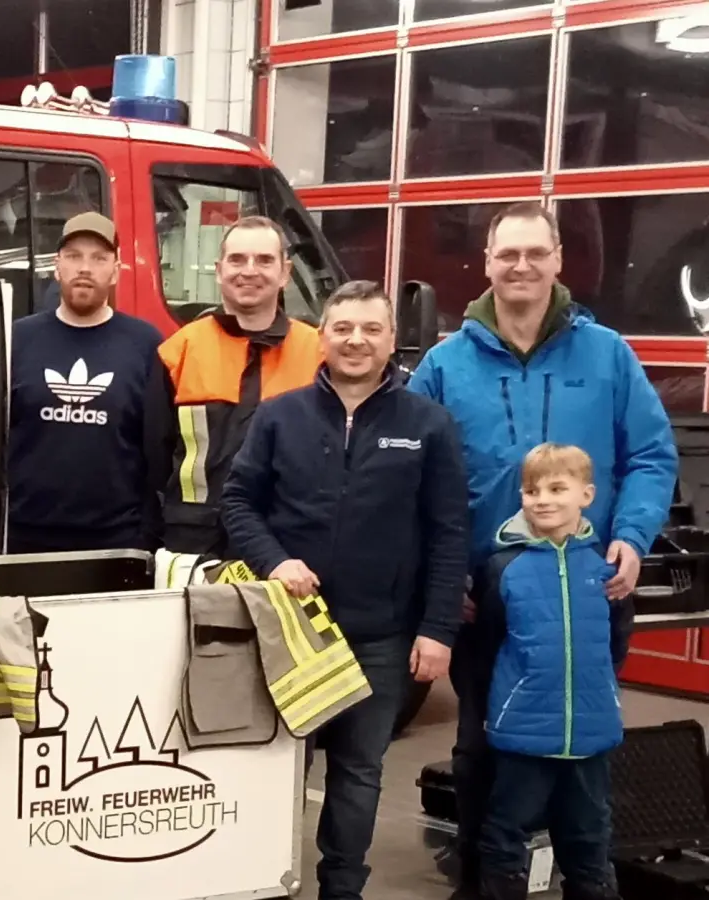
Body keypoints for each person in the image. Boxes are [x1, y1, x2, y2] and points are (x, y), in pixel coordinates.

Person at [406, 201, 677, 898]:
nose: (520, 266)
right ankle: (481, 882)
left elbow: (649, 454)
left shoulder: (607, 355)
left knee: (578, 746)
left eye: (535, 252)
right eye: (506, 254)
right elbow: (410, 479)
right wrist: (441, 582)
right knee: (479, 749)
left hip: (589, 591)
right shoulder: (443, 364)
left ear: (558, 260)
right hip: (482, 597)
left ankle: (580, 877)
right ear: (487, 264)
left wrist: (631, 535)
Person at [220, 280, 468, 900]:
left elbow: (448, 533)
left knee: (359, 773)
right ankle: (260, 878)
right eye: (343, 328)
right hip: (291, 632)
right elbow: (239, 503)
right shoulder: (281, 415)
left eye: (371, 329)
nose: (356, 340)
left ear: (392, 341)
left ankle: (342, 889)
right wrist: (275, 562)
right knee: (276, 767)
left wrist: (437, 630)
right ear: (322, 337)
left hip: (382, 636)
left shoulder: (428, 424)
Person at [475, 444, 624, 900]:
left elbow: (616, 641)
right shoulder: (503, 567)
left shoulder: (606, 569)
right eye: (531, 490)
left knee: (589, 835)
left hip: (590, 731)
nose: (542, 499)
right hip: (523, 729)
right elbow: (489, 639)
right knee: (505, 831)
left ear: (587, 494)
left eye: (557, 488)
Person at [146, 215, 322, 555]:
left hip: (287, 545)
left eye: (264, 260)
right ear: (219, 269)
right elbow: (153, 459)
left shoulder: (317, 353)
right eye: (237, 259)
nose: (250, 271)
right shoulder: (179, 351)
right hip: (195, 544)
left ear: (285, 273)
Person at [4, 212, 164, 553]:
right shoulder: (16, 339)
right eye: (74, 256)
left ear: (116, 271)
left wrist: (146, 538)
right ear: (56, 266)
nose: (85, 268)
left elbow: (158, 450)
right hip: (22, 538)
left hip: (115, 541)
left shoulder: (145, 344)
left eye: (99, 258)